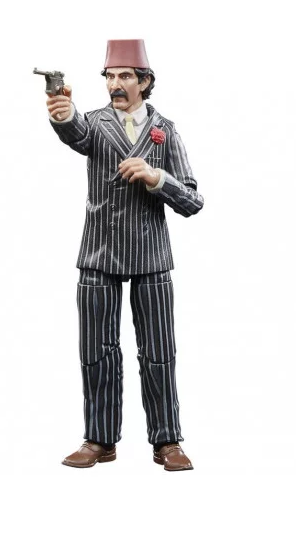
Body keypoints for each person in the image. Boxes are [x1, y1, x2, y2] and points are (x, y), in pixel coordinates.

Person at [45, 39, 204, 471]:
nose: (116, 84)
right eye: (110, 76)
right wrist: (62, 114)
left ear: (144, 81)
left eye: (125, 76)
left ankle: (167, 440)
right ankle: (99, 438)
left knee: (159, 351)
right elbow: (74, 131)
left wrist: (157, 177)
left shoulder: (165, 130)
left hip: (151, 254)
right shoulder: (95, 123)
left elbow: (193, 200)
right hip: (99, 252)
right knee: (96, 350)